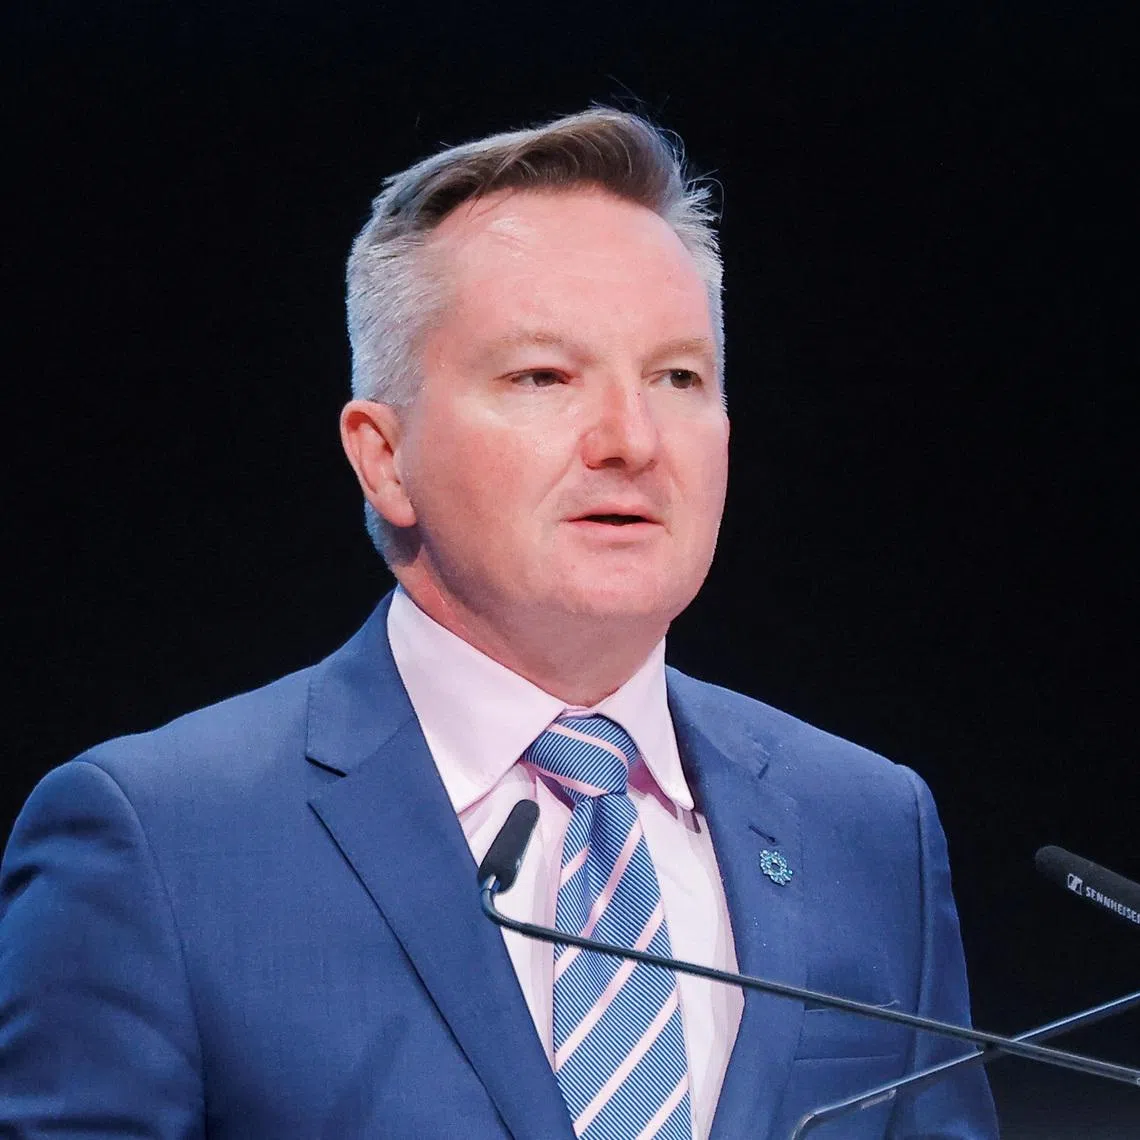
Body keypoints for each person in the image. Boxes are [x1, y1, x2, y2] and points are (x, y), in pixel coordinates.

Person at [0, 109, 997, 1139]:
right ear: (385, 457)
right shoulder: (160, 843)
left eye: (678, 377)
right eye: (543, 377)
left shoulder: (867, 828)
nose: (632, 440)